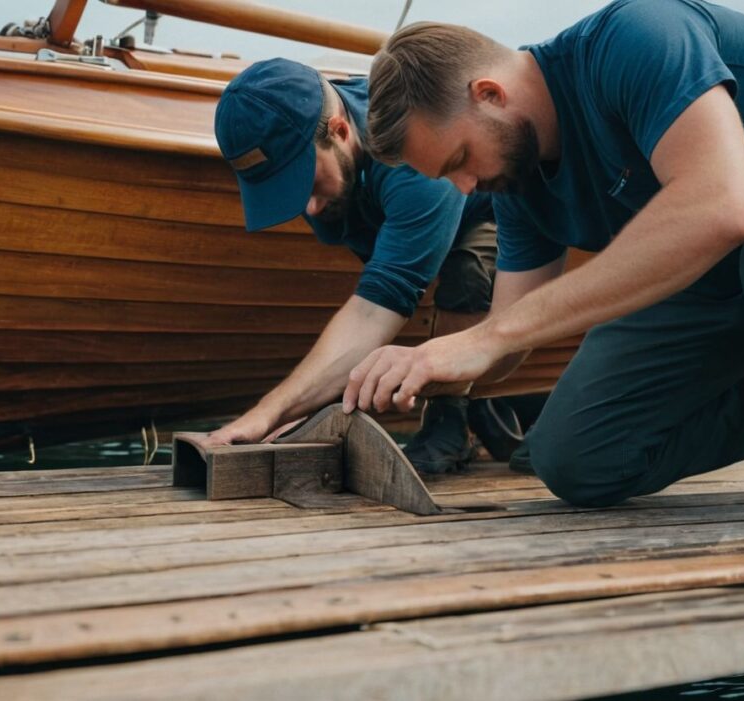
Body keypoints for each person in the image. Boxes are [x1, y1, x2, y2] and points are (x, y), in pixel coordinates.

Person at [347, 0, 744, 545]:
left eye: (459, 159)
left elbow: (722, 206)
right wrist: (429, 369)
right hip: (737, 273)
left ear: (489, 94)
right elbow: (506, 336)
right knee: (573, 458)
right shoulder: (518, 181)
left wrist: (489, 335)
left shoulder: (637, 35)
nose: (462, 188)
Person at [207, 57, 524, 472]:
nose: (309, 207)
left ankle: (451, 414)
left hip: (493, 206)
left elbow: (379, 304)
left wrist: (267, 413)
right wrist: (316, 398)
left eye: (307, 183)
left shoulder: (410, 156)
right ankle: (483, 409)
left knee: (466, 272)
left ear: (340, 130)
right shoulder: (315, 137)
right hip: (400, 212)